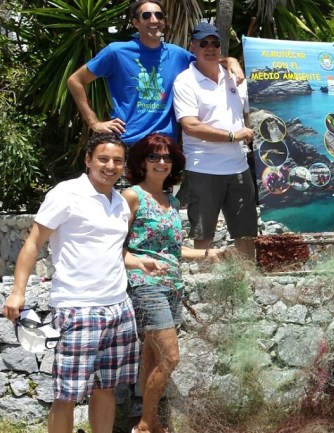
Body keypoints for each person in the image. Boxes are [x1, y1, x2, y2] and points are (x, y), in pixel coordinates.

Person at [2, 133, 163, 433]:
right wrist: (17, 292)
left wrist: (138, 261)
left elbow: (114, 250)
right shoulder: (66, 194)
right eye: (103, 159)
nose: (110, 166)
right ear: (88, 160)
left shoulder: (119, 201)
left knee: (107, 388)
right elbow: (33, 243)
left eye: (117, 161)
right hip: (78, 309)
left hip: (119, 308)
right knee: (67, 394)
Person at [122, 133, 225, 433]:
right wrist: (140, 262)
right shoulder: (132, 196)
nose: (161, 162)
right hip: (145, 284)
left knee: (152, 356)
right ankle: (144, 425)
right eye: (154, 157)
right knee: (170, 356)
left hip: (172, 285)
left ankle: (152, 423)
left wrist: (209, 253)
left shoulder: (172, 200)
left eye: (167, 157)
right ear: (142, 162)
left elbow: (174, 250)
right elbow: (116, 247)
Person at [66, 1, 242, 145]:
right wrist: (94, 122)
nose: (154, 20)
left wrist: (230, 61)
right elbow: (75, 80)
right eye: (146, 15)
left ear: (164, 22)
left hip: (164, 149)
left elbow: (207, 59)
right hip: (127, 145)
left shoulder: (177, 55)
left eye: (159, 16)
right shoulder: (116, 52)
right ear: (135, 23)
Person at [172, 22, 257, 260]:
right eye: (203, 43)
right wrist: (232, 136)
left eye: (215, 43)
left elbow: (254, 111)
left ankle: (249, 282)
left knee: (247, 231)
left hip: (239, 166)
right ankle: (206, 286)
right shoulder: (185, 80)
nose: (210, 48)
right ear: (193, 46)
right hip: (203, 168)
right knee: (203, 233)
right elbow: (190, 125)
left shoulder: (235, 78)